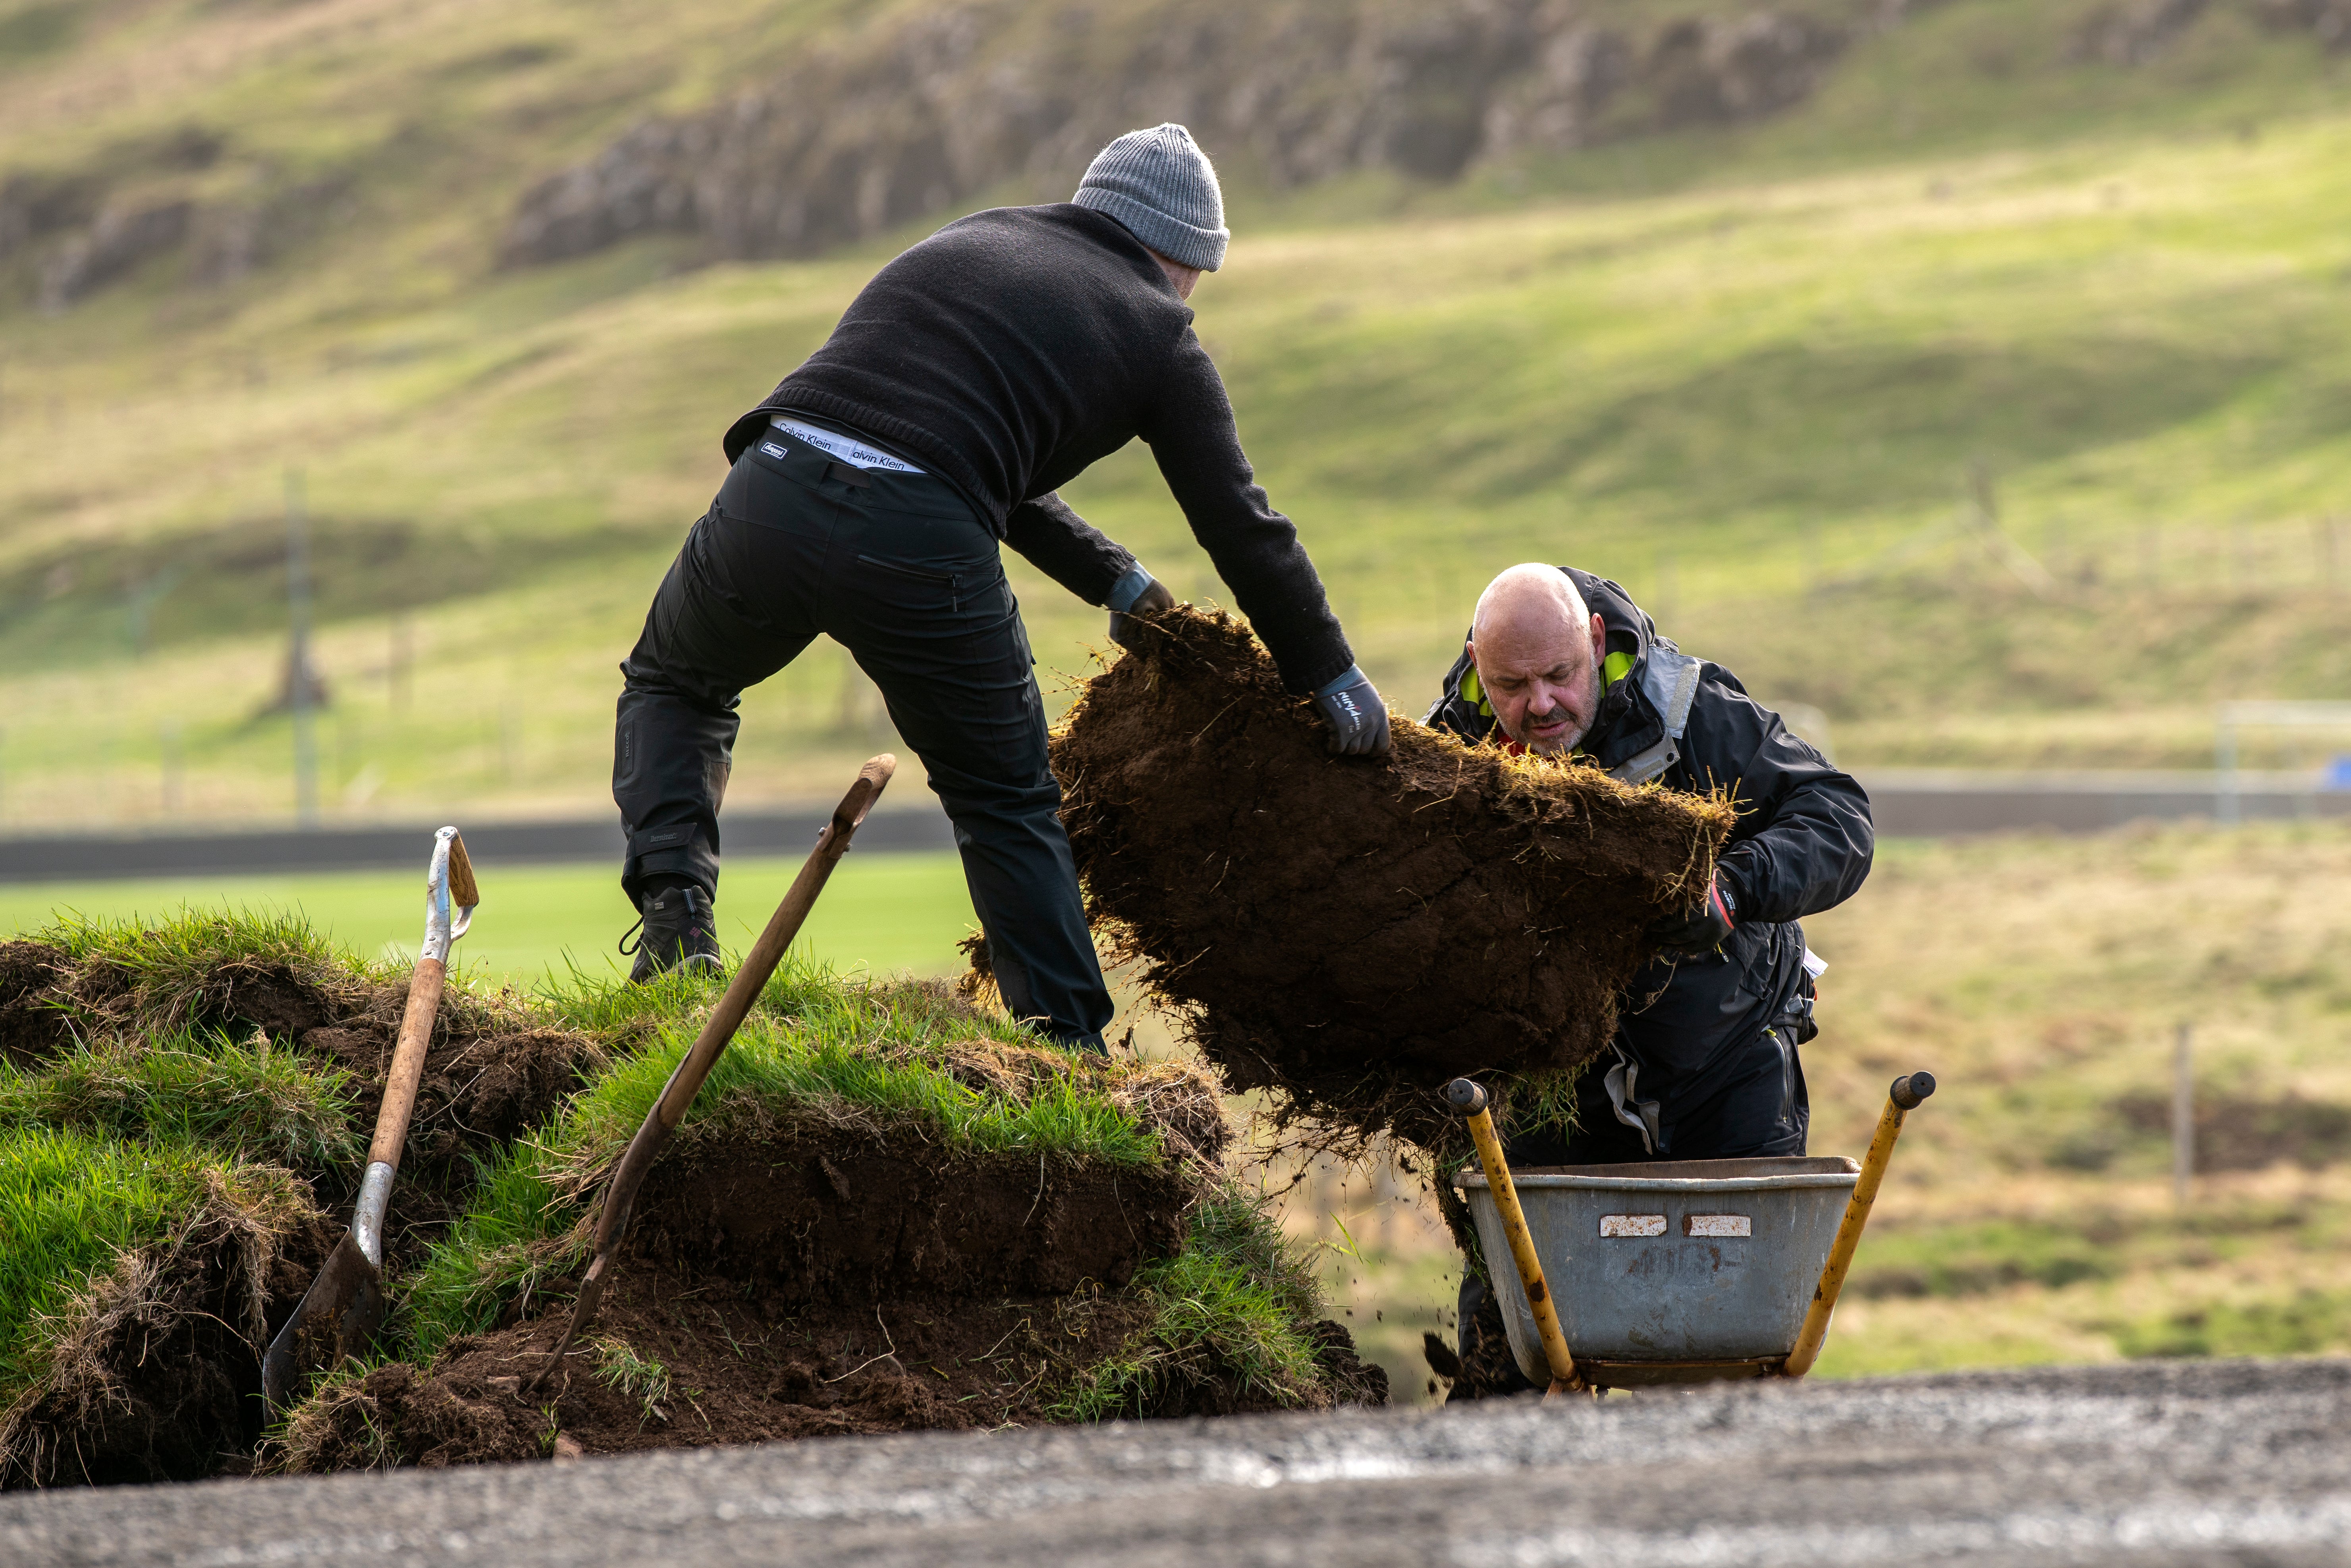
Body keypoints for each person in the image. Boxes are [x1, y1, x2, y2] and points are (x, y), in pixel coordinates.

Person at [609, 123, 1391, 1050]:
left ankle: (675, 933)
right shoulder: (1158, 330)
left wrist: (1118, 581)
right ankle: (1070, 1046)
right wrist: (1329, 672)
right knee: (1005, 798)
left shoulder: (975, 239)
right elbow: (1242, 525)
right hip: (914, 538)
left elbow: (955, 443)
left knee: (674, 682)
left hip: (773, 480)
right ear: (1184, 260)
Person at [1426, 563, 1873, 1392]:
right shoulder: (1447, 754)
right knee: (1509, 1372)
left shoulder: (1693, 713)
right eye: (1512, 685)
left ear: (1596, 645)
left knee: (1726, 1369)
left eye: (1560, 676)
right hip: (1548, 1081)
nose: (1541, 706)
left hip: (1727, 1063)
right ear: (1477, 668)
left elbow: (1841, 818)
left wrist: (1734, 888)